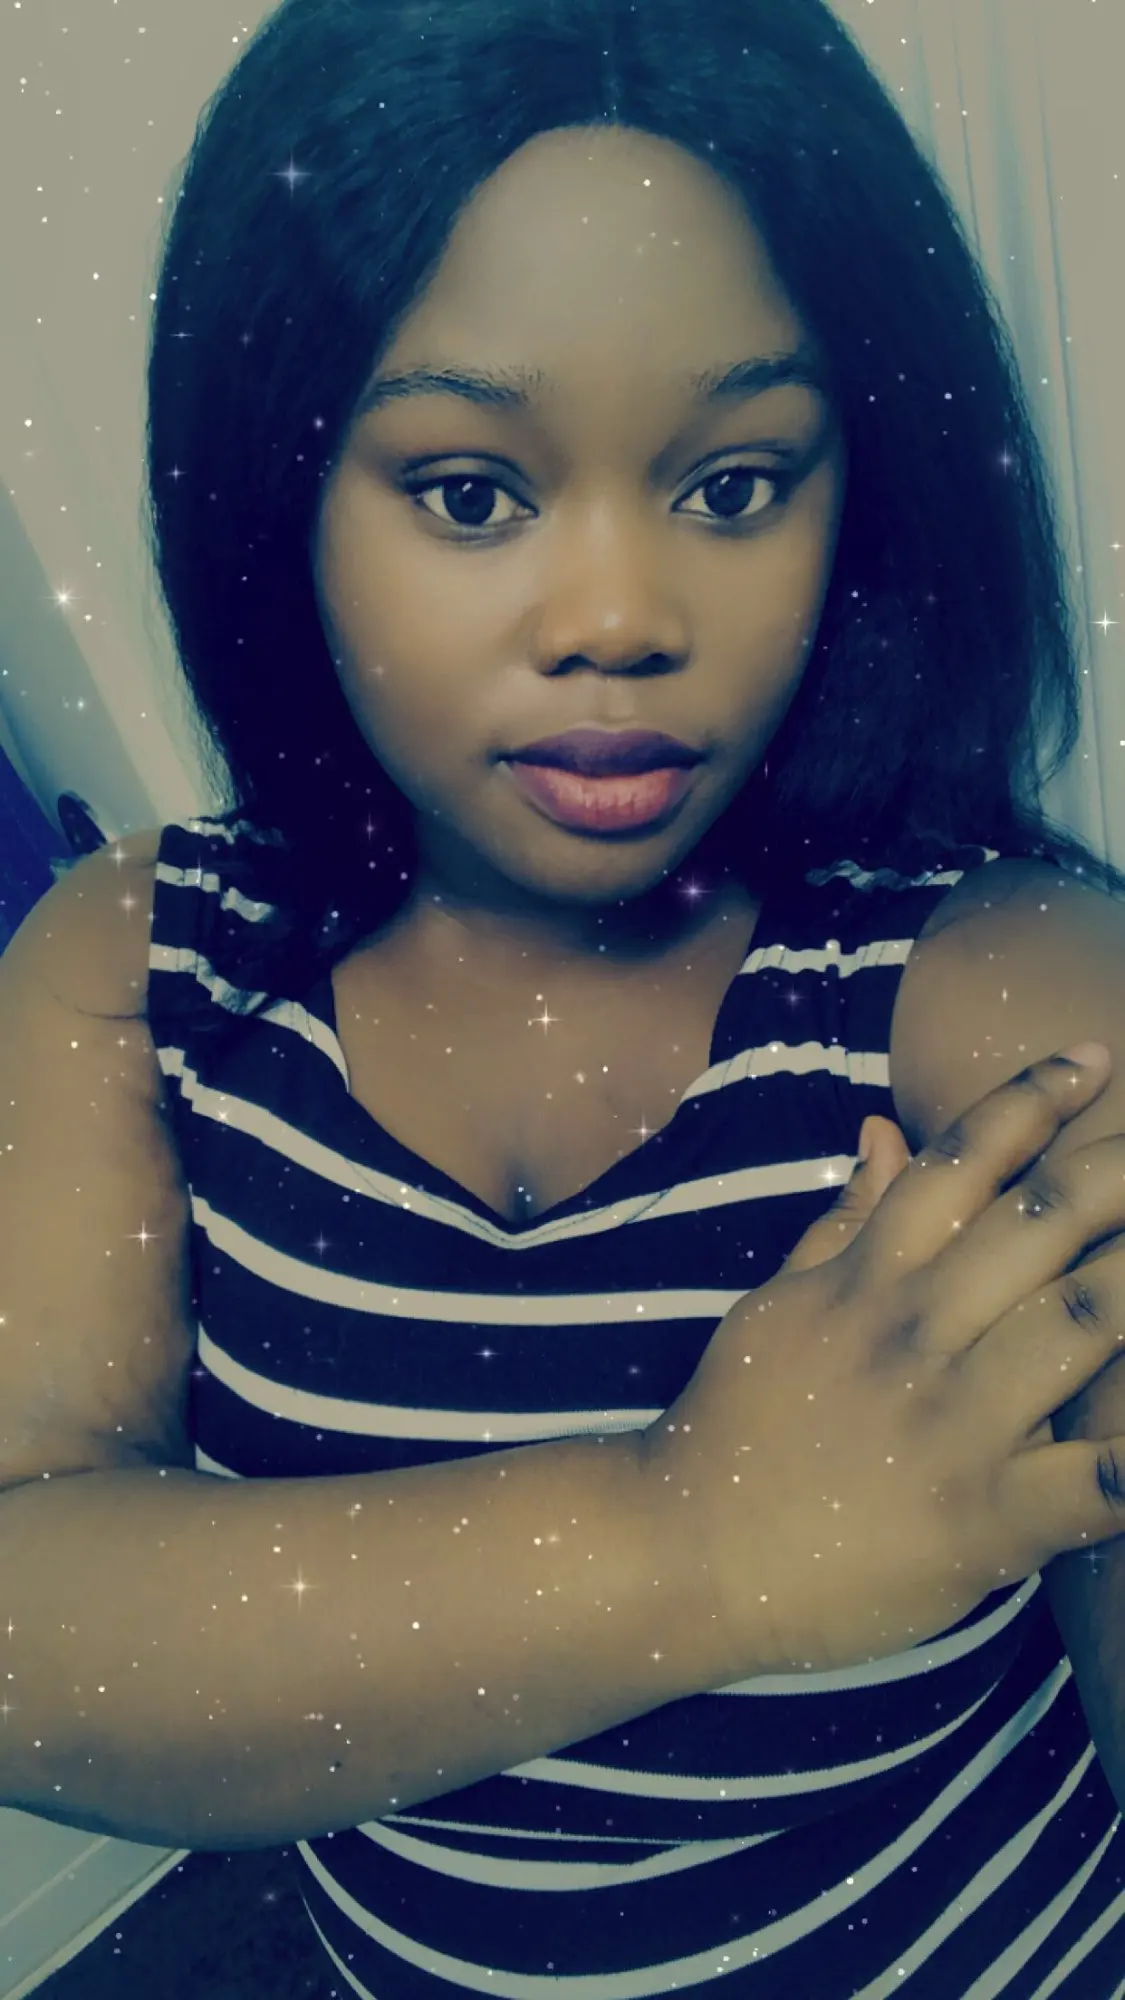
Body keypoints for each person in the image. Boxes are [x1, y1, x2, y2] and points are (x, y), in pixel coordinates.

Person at [2, 0, 1125, 1992]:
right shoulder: (134, 970)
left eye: (735, 483)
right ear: (281, 478)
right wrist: (700, 1536)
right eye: (468, 491)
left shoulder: (997, 997)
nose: (619, 618)